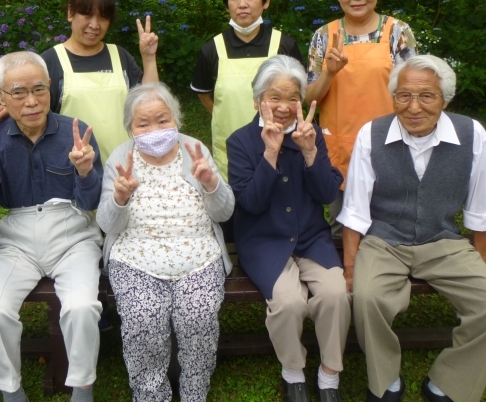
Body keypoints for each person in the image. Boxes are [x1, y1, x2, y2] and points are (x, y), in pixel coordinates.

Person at [339, 55, 486, 402]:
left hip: (443, 239)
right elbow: (355, 210)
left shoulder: (473, 134)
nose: (414, 107)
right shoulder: (372, 134)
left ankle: (450, 382)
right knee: (368, 298)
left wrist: (481, 263)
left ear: (445, 99)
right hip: (384, 239)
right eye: (404, 95)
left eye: (426, 96)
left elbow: (480, 211)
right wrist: (350, 268)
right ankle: (385, 380)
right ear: (394, 98)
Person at [0, 51, 103, 402]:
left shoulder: (77, 131)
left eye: (39, 89)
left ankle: (82, 388)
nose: (32, 101)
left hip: (74, 234)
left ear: (50, 87)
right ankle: (12, 391)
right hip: (17, 239)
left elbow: (91, 202)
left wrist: (85, 172)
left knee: (82, 307)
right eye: (18, 92)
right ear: (1, 96)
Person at [96, 82, 234, 402]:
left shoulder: (194, 150)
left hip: (198, 254)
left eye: (162, 119)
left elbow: (225, 213)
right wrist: (119, 197)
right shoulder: (121, 157)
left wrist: (212, 184)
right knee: (144, 320)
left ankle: (194, 391)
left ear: (176, 119)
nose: (154, 129)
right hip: (135, 257)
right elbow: (107, 223)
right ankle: (150, 394)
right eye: (143, 123)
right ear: (130, 127)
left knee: (197, 317)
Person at [227, 56, 351, 402]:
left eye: (292, 98)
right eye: (274, 97)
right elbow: (248, 203)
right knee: (289, 302)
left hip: (311, 237)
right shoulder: (241, 142)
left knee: (334, 294)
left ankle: (329, 374)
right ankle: (293, 372)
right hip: (264, 240)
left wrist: (310, 151)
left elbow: (328, 193)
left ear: (302, 101)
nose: (283, 107)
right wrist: (270, 153)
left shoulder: (310, 134)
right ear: (257, 100)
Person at [305, 0, 418, 240]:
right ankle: (345, 281)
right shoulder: (323, 36)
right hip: (339, 145)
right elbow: (310, 99)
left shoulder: (397, 32)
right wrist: (329, 71)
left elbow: (412, 93)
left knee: (389, 226)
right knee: (342, 228)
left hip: (390, 144)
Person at [0, 0, 159, 165]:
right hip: (70, 171)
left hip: (124, 169)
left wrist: (149, 58)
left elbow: (151, 102)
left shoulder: (120, 56)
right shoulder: (50, 61)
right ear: (70, 13)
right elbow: (33, 105)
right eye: (87, 15)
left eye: (102, 17)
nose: (94, 25)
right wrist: (7, 109)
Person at [191, 0, 302, 180]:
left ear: (266, 1)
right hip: (230, 149)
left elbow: (298, 96)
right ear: (227, 5)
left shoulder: (285, 45)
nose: (243, 4)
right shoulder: (211, 49)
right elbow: (204, 94)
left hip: (281, 145)